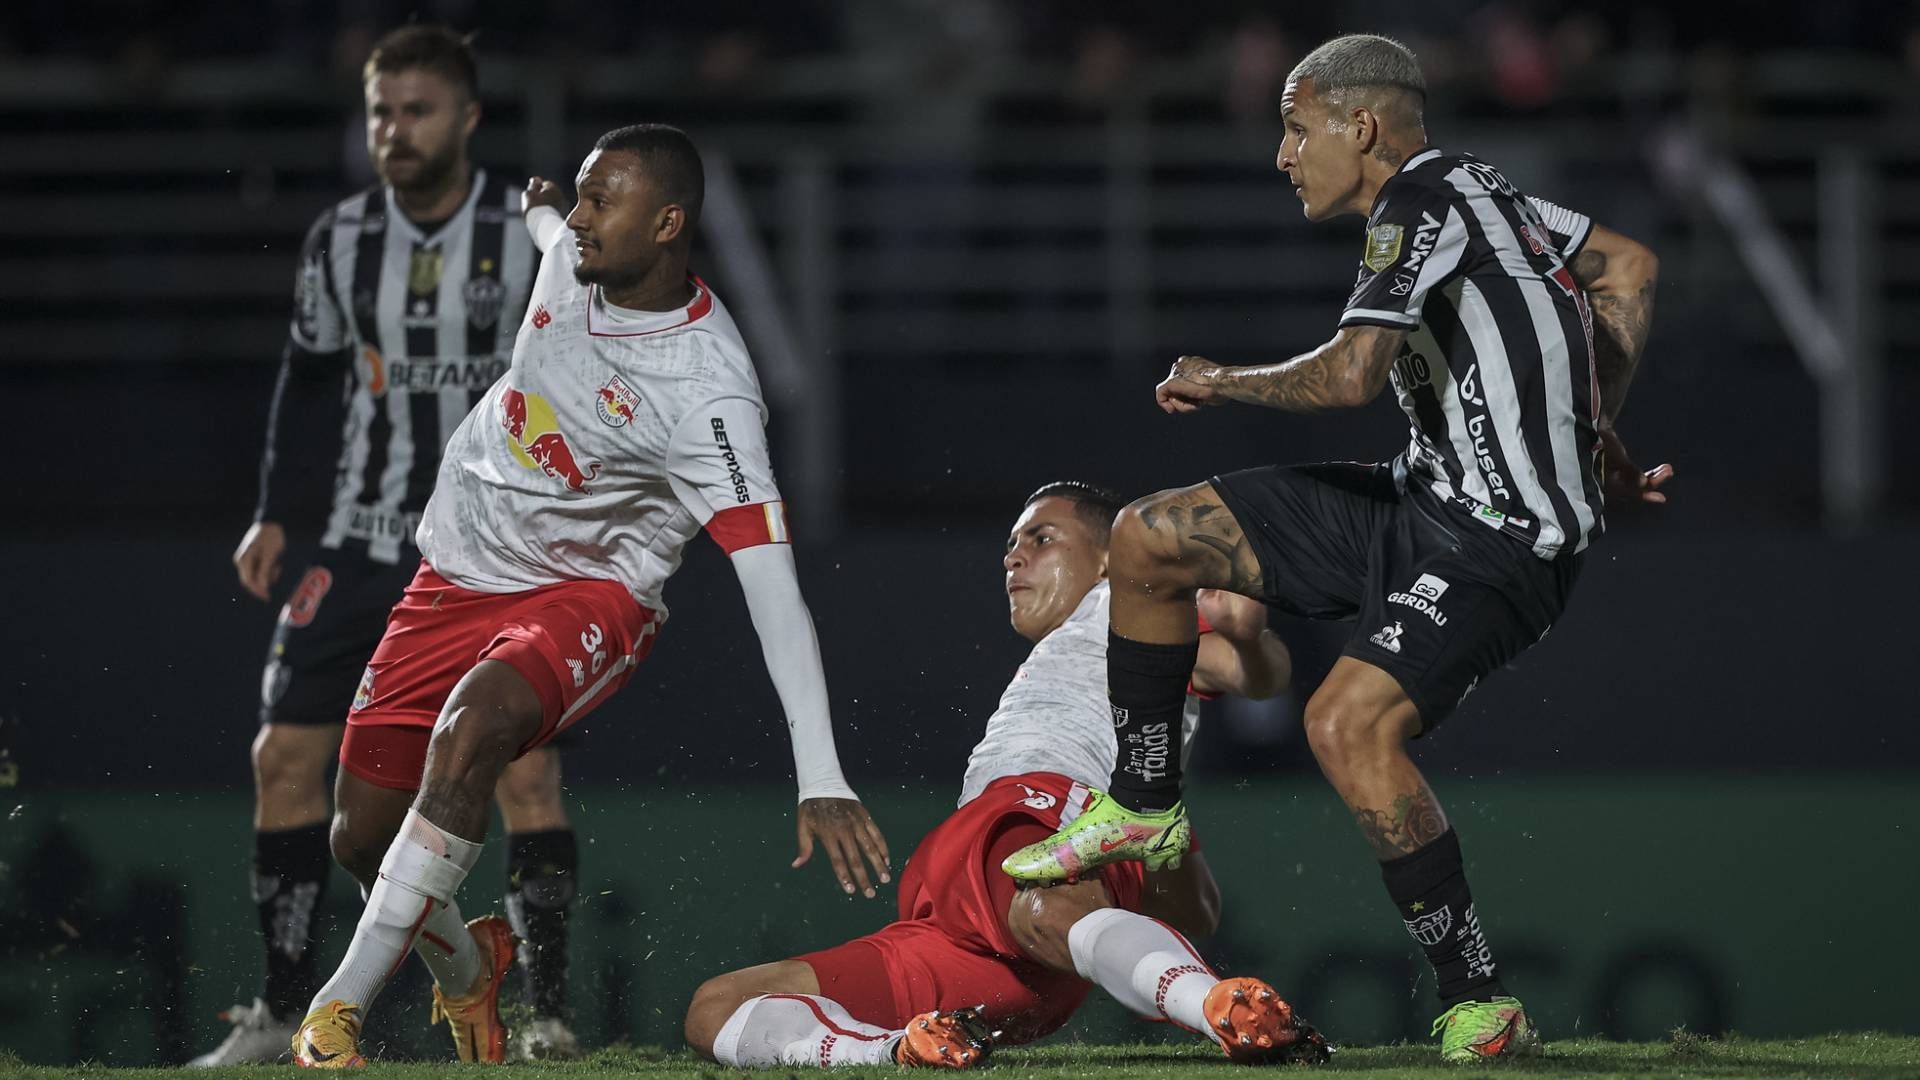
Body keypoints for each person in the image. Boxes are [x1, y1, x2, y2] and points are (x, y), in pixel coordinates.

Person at [1003, 33, 1671, 1063]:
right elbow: (1626, 266)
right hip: (1418, 498)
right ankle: (1143, 805)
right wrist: (1588, 434)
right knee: (1147, 539)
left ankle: (1479, 995)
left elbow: (1355, 375)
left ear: (1358, 127)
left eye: (1295, 127)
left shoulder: (1419, 198)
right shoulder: (1481, 191)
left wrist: (1223, 382)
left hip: (1502, 542)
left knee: (1343, 724)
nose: (1283, 155)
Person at [287, 123, 892, 1068]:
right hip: (453, 572)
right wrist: (539, 205)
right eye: (577, 196)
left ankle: (336, 1010)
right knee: (359, 840)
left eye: (599, 202)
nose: (577, 220)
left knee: (473, 729)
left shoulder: (710, 395)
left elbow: (776, 594)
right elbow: (547, 234)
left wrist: (820, 774)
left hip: (587, 592)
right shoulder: (575, 256)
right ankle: (468, 969)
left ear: (667, 224)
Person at [200, 25, 586, 1065]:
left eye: (416, 111)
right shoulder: (339, 239)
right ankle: (284, 1005)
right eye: (380, 112)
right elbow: (310, 377)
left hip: (494, 551)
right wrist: (276, 510)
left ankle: (544, 1013)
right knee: (283, 761)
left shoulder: (528, 234)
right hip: (361, 540)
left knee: (526, 777)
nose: (394, 131)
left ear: (465, 117)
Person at [682, 483, 1329, 1069]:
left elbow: (1252, 671)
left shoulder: (1128, 602)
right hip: (985, 932)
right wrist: (1170, 839)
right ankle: (895, 1052)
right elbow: (1199, 911)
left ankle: (1221, 1009)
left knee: (1041, 894)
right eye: (1010, 546)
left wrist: (1247, 639)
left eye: (1041, 539)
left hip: (1040, 842)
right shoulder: (1083, 650)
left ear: (1110, 558)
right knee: (717, 1007)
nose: (1013, 559)